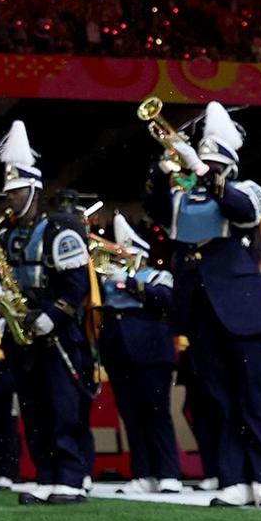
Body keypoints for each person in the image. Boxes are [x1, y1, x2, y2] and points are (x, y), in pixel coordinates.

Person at [153, 103, 261, 509]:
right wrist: (162, 169)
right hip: (200, 304)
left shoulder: (247, 190)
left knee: (253, 394)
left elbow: (242, 212)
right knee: (218, 397)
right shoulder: (183, 198)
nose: (203, 166)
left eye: (213, 161)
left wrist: (208, 174)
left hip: (242, 304)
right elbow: (157, 208)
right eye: (201, 159)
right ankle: (232, 479)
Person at [0, 127, 94, 507]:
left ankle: (70, 475)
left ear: (33, 190)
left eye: (16, 191)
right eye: (7, 192)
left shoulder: (61, 231)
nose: (10, 198)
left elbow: (77, 285)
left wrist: (53, 315)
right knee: (33, 406)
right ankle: (47, 474)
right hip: (23, 335)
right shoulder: (5, 235)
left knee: (63, 405)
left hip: (58, 333)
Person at [95, 212, 181, 496]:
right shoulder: (106, 281)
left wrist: (130, 283)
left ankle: (168, 473)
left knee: (157, 413)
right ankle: (142, 473)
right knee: (131, 415)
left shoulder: (158, 276)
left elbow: (166, 302)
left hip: (151, 353)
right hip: (119, 353)